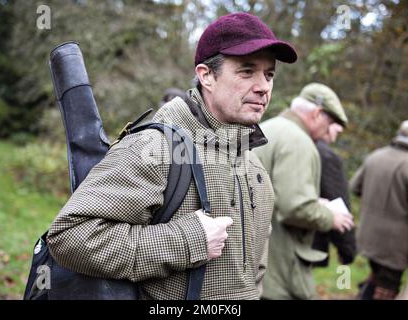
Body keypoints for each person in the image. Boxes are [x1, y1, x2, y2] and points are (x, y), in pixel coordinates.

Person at [47, 12, 297, 300]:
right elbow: (70, 237)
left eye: (269, 75)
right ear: (206, 76)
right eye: (246, 71)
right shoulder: (154, 148)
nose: (263, 87)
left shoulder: (254, 164)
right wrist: (189, 240)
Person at [254, 83, 354, 300]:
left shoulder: (265, 128)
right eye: (330, 124)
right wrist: (330, 216)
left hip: (255, 265)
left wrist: (315, 202)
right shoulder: (299, 141)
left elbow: (273, 193)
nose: (329, 134)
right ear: (317, 113)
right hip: (281, 274)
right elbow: (294, 208)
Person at [351, 120, 408, 300]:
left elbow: (355, 187)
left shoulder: (375, 156)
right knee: (387, 289)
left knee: (375, 280)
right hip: (395, 246)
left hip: (368, 237)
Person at [312, 123, 357, 267]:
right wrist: (347, 249)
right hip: (309, 241)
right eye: (335, 122)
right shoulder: (325, 156)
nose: (340, 129)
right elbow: (338, 203)